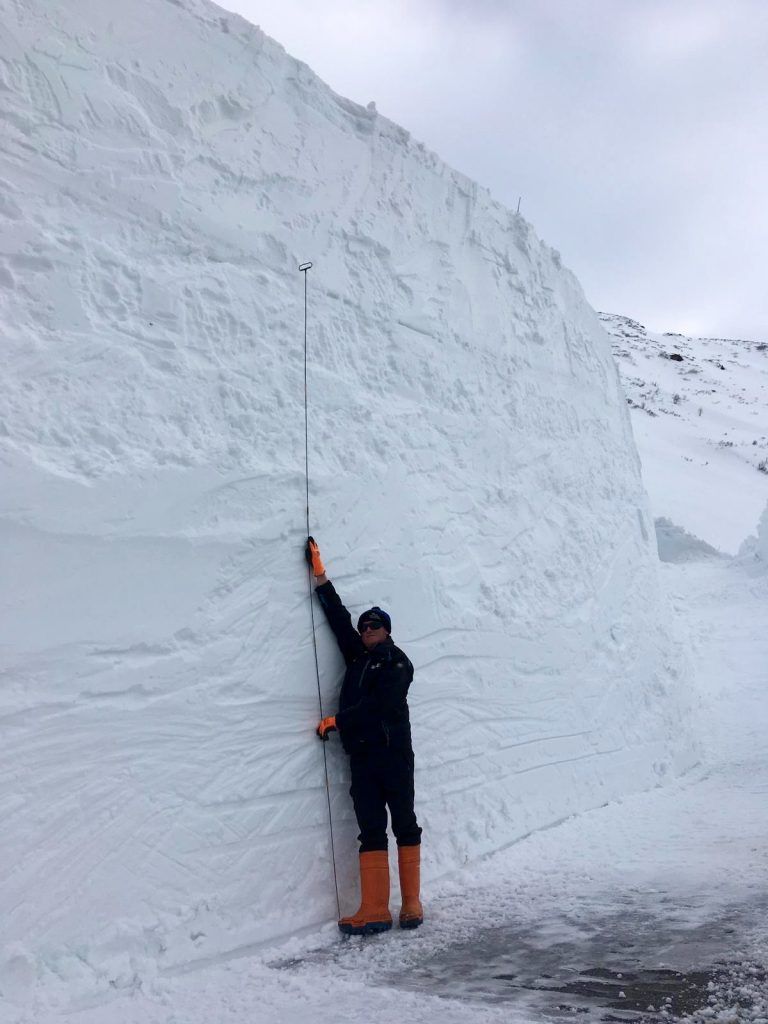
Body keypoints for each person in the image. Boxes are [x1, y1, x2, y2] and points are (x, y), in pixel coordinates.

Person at [305, 537, 423, 935]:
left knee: (404, 823)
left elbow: (381, 707)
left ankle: (410, 904)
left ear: (387, 631)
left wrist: (339, 721)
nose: (367, 630)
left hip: (392, 755)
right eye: (365, 626)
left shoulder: (396, 662)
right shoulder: (359, 656)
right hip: (364, 759)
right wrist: (321, 576)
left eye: (375, 626)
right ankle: (374, 909)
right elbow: (339, 618)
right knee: (370, 827)